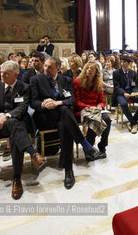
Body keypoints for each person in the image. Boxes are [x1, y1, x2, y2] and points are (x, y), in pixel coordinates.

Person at [30, 57, 103, 189]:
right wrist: (44, 104)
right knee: (65, 112)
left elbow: (72, 100)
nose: (46, 68)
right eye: (45, 66)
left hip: (63, 118)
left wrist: (58, 102)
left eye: (50, 67)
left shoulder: (66, 80)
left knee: (65, 123)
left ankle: (68, 170)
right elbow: (33, 102)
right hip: (45, 117)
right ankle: (84, 144)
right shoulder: (36, 80)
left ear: (57, 69)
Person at [0, 61, 46, 199]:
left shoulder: (24, 87)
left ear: (16, 74)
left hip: (17, 123)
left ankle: (16, 178)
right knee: (15, 126)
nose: (2, 75)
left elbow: (22, 107)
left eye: (6, 73)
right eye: (1, 72)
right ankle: (33, 153)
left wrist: (6, 116)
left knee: (15, 130)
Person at [74, 62, 111, 156]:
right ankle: (88, 149)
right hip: (82, 109)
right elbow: (77, 102)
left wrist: (98, 107)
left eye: (92, 69)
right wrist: (90, 107)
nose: (89, 70)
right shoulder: (77, 82)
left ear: (96, 72)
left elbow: (102, 101)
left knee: (107, 120)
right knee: (93, 120)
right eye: (87, 68)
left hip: (96, 110)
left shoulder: (99, 84)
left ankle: (102, 146)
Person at [112, 55, 138, 134]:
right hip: (121, 93)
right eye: (122, 62)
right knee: (123, 103)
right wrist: (124, 93)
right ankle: (134, 123)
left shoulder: (132, 73)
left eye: (125, 62)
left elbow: (133, 85)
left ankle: (133, 120)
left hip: (131, 92)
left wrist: (136, 92)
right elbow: (117, 87)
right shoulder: (116, 73)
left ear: (129, 63)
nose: (123, 63)